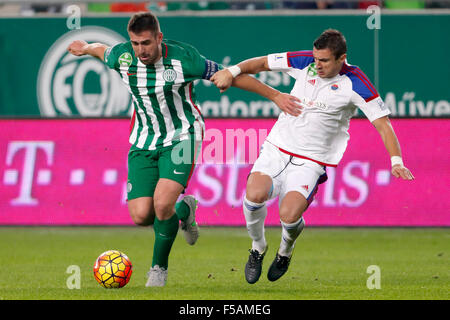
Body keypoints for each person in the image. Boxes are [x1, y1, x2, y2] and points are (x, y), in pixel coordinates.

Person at [67, 12, 301, 287]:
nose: (140, 50)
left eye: (146, 43)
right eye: (135, 43)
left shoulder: (183, 59)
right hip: (143, 140)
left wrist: (274, 95)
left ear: (159, 38)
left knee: (162, 204)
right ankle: (185, 212)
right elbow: (101, 50)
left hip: (183, 135)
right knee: (142, 215)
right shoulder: (123, 56)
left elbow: (229, 76)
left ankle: (158, 270)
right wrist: (84, 48)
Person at [211, 29, 414, 284]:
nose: (317, 65)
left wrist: (396, 161)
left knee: (289, 214)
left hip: (312, 160)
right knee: (254, 194)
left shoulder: (357, 83)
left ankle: (285, 251)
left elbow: (383, 124)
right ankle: (257, 247)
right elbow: (262, 63)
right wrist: (232, 71)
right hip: (277, 147)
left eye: (325, 61)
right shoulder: (304, 61)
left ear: (342, 58)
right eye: (316, 58)